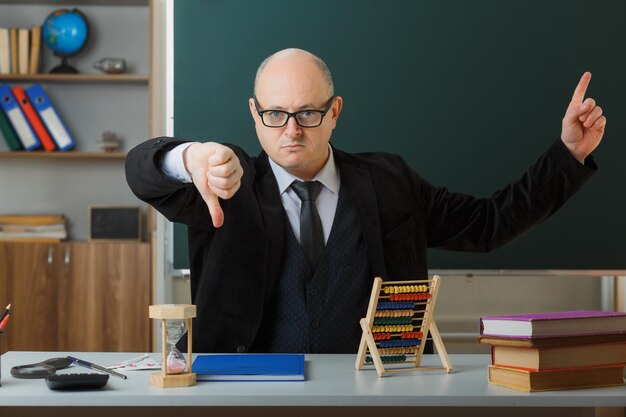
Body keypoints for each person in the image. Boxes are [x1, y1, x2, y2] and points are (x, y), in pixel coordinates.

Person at [126, 48, 605, 354]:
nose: (291, 130)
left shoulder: (390, 182)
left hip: (372, 394)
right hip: (248, 394)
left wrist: (567, 155)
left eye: (309, 113)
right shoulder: (223, 182)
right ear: (255, 114)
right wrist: (189, 158)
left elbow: (488, 224)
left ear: (335, 112)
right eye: (275, 113)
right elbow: (140, 170)